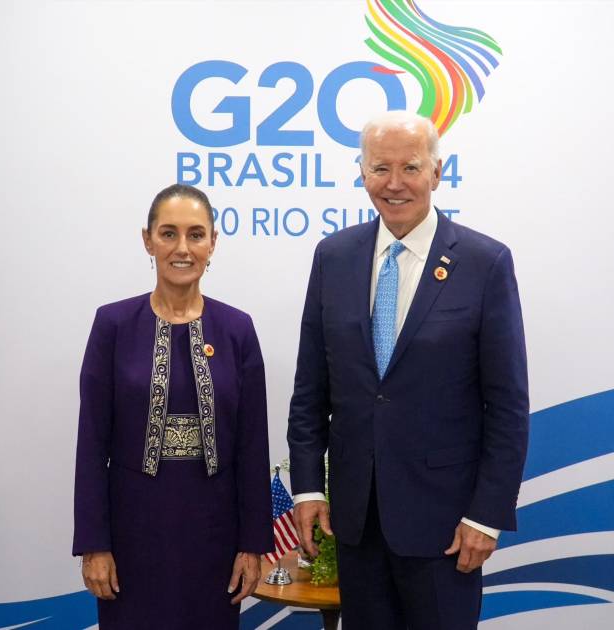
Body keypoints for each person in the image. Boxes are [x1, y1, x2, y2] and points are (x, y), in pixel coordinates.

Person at [287, 111, 529, 629]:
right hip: (356, 523)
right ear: (362, 173)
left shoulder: (485, 263)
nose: (394, 183)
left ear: (437, 172)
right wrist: (307, 489)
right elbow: (310, 390)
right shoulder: (333, 257)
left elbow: (507, 406)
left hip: (446, 527)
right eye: (380, 168)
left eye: (410, 168)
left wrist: (487, 515)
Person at [72, 184, 273, 629]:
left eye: (196, 234)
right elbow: (91, 444)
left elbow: (252, 447)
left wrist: (252, 544)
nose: (183, 248)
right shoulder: (113, 325)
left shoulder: (237, 329)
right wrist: (94, 544)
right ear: (148, 240)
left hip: (215, 537)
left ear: (212, 243)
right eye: (168, 234)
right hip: (132, 536)